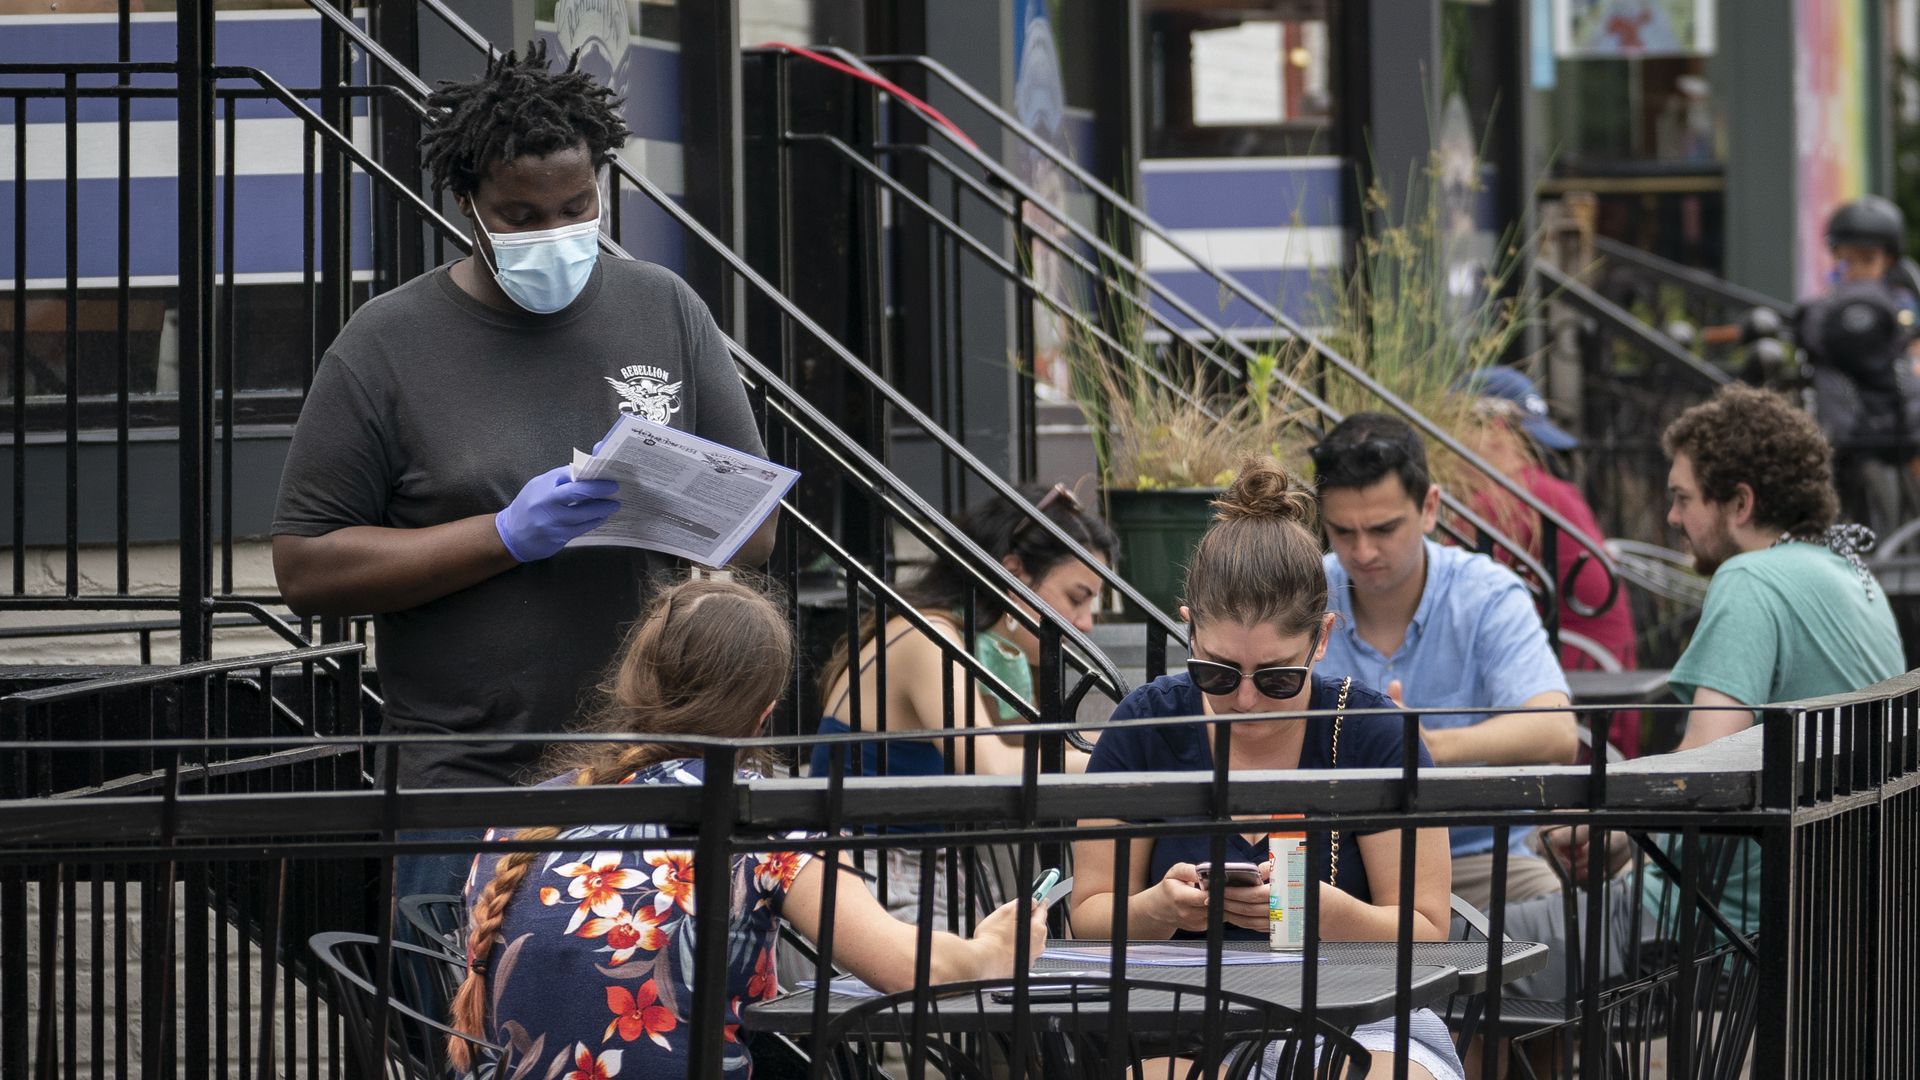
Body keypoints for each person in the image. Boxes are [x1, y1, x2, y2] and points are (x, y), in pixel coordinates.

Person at [270, 43, 775, 902]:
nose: (553, 233)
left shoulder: (664, 307)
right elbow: (305, 568)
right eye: (520, 215)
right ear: (466, 206)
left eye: (576, 206)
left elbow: (757, 532)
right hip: (465, 783)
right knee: (463, 1031)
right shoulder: (387, 343)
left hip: (634, 769)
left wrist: (673, 500)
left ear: (602, 184)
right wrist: (501, 536)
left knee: (626, 1031)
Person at [450, 576, 1047, 1077]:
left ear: (635, 685)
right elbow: (917, 970)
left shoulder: (524, 814)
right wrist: (993, 949)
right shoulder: (756, 820)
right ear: (764, 715)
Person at [1504, 383, 1905, 1001]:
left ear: (1739, 503)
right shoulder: (1849, 575)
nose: (1671, 518)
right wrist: (1623, 837)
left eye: (1683, 498)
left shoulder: (1751, 577)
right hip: (1836, 924)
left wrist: (1614, 831)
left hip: (1716, 931)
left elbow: (1697, 777)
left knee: (1457, 960)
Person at [1069, 457, 1462, 1080]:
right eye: (1217, 673)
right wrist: (1159, 910)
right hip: (1181, 1021)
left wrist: (1316, 912)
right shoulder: (1147, 727)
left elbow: (1427, 931)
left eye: (1278, 677)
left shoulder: (1370, 730)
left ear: (1322, 638)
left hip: (1357, 1016)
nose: (1245, 700)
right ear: (1187, 627)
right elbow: (1088, 912)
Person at [811, 483, 1114, 921]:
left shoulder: (969, 642)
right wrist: (1126, 754)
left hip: (924, 875)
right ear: (1014, 574)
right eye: (1076, 598)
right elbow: (991, 768)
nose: (1086, 624)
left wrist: (1124, 741)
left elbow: (1032, 748)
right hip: (873, 882)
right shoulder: (926, 636)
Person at [1309, 413, 1577, 908]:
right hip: (1330, 865)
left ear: (1429, 507)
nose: (1363, 551)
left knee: (1563, 920)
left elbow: (1556, 731)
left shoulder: (1487, 594)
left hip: (1475, 860)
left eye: (1384, 528)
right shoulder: (1304, 592)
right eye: (1342, 532)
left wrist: (1427, 747)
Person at [1457, 368, 1641, 756]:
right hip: (1602, 684)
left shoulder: (1507, 499)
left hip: (1582, 701)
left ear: (1494, 429)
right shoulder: (1545, 489)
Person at [1801, 195, 1920, 536]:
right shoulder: (1825, 311)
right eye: (1845, 261)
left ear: (1889, 260)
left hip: (1902, 441)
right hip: (1852, 444)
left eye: (1866, 261)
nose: (1854, 271)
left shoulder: (1903, 307)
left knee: (1898, 528)